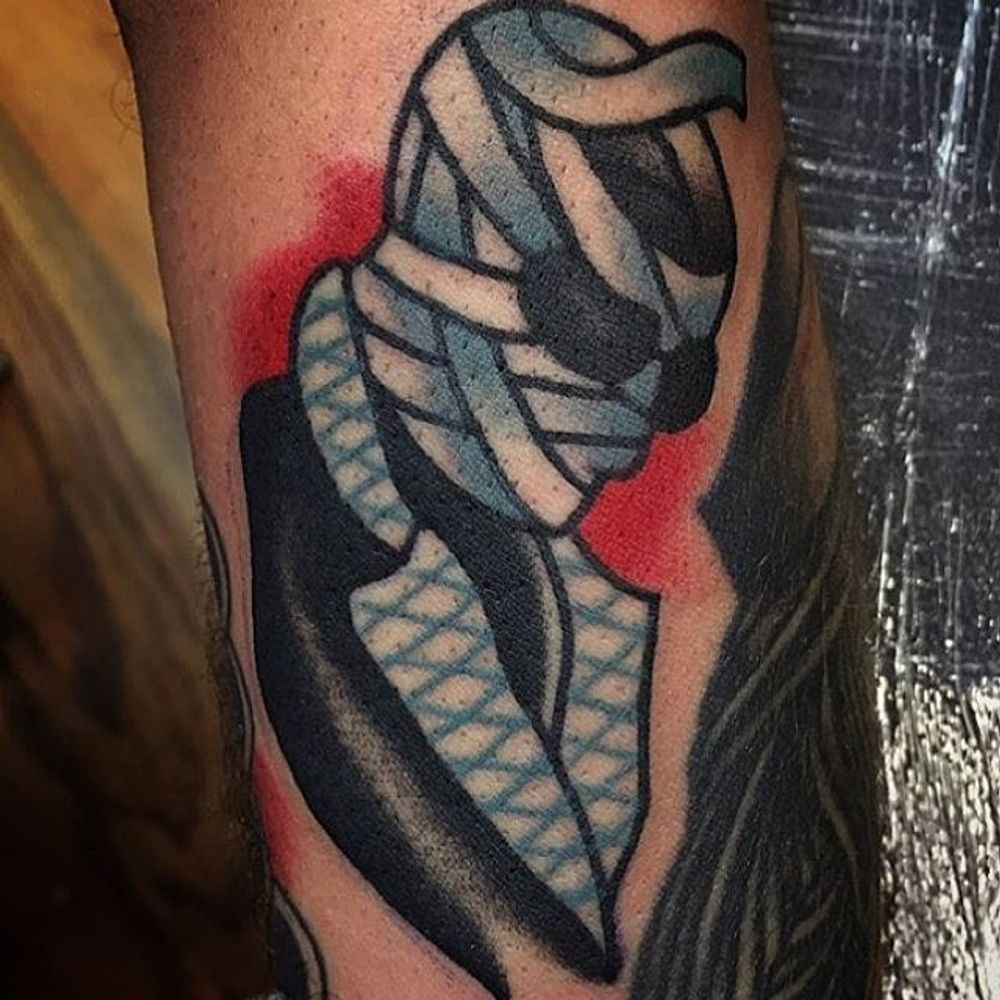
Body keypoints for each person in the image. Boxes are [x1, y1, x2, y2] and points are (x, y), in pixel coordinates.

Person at [112, 2, 881, 997]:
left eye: (682, 376)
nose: (644, 417)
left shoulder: (603, 611)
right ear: (468, 242)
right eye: (603, 332)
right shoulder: (320, 525)